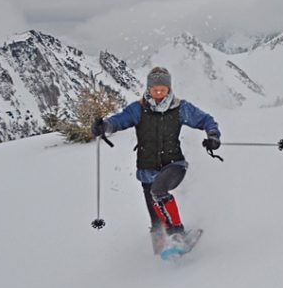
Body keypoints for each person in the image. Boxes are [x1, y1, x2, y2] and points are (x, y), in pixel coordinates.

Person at [91, 67, 220, 255]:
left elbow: (205, 120)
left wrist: (213, 136)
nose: (159, 93)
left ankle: (178, 234)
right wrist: (105, 126)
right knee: (157, 224)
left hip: (174, 164)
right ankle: (162, 262)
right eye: (155, 89)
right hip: (146, 170)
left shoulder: (180, 108)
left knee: (158, 191)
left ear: (169, 89)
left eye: (163, 89)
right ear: (148, 89)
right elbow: (120, 120)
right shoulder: (138, 109)